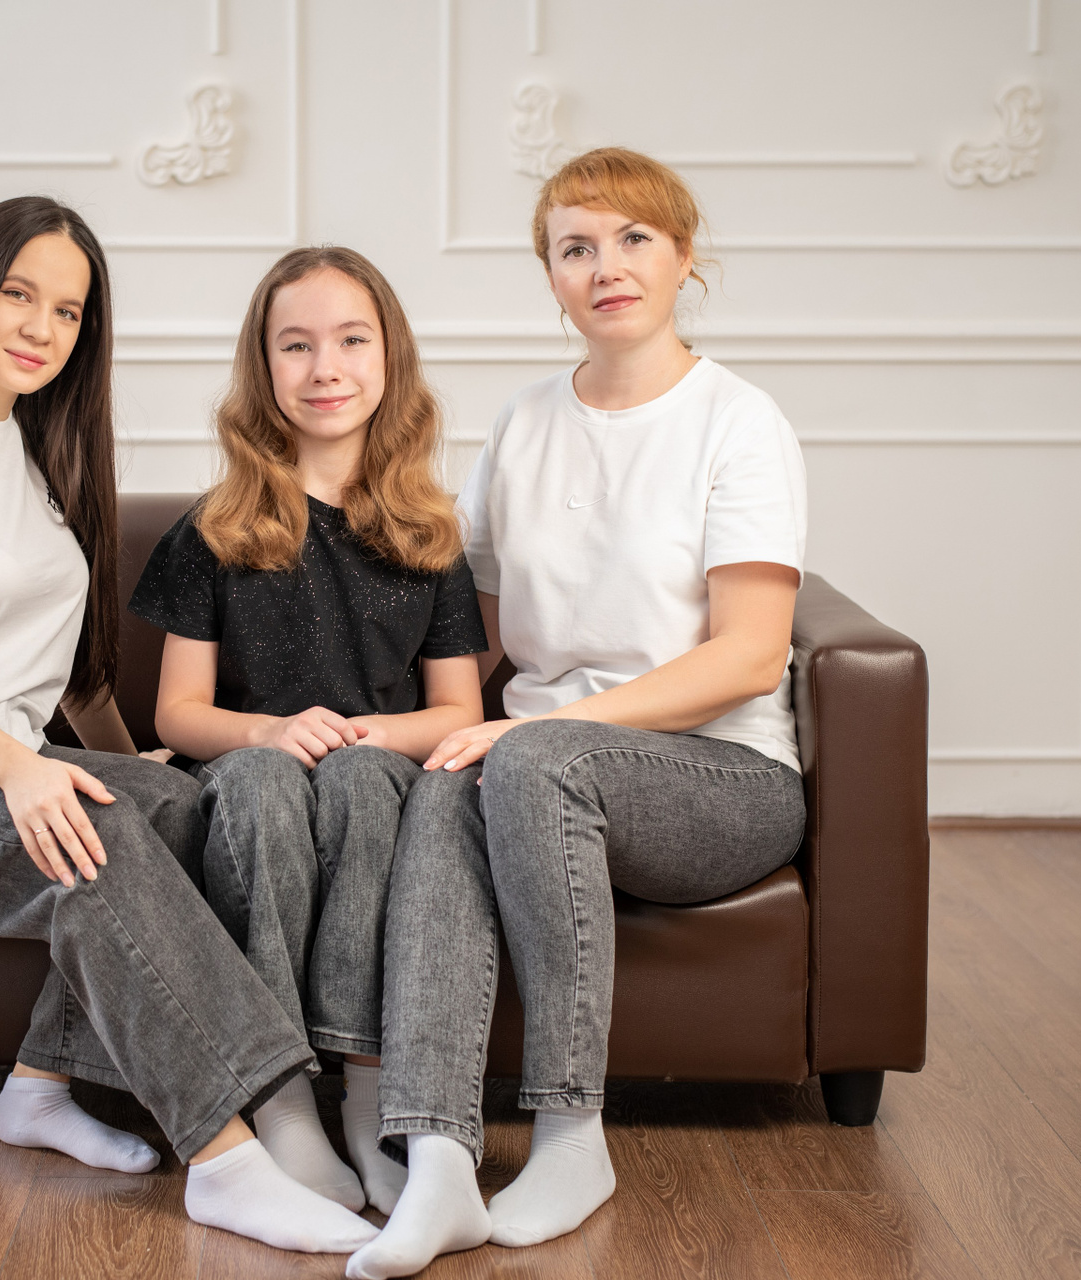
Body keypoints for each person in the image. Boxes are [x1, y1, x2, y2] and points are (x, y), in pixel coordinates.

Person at [0, 197, 378, 1255]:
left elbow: (57, 666)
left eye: (68, 310)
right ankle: (231, 1154)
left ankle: (38, 1087)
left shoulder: (34, 446)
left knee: (180, 806)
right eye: (20, 295)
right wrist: (24, 771)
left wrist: (126, 763)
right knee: (92, 843)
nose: (42, 327)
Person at [348, 148, 809, 1279]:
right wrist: (371, 727)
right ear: (551, 278)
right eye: (575, 248)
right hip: (534, 765)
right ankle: (437, 1157)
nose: (607, 267)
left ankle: (569, 1136)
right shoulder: (523, 422)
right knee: (449, 776)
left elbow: (751, 655)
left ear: (684, 257)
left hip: (718, 778)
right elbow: (469, 633)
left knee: (527, 759)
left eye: (634, 238)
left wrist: (538, 735)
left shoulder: (740, 422)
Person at [129, 246, 488, 1216]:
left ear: (389, 357)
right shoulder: (214, 528)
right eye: (296, 345)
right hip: (250, 777)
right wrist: (268, 730)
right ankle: (282, 1100)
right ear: (264, 366)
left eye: (351, 340)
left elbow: (460, 712)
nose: (325, 367)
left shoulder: (430, 534)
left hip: (377, 777)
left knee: (363, 778)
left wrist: (373, 733)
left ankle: (370, 1100)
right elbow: (175, 713)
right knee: (259, 782)